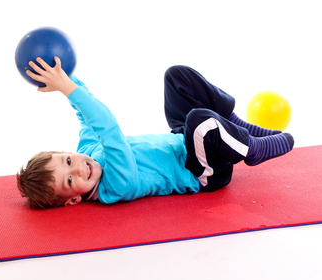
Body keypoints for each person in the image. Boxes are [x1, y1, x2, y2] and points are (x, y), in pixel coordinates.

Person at [17, 57, 294, 209]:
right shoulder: (115, 186)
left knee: (176, 77)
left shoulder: (87, 154)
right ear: (74, 199)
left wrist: (65, 77)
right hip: (202, 171)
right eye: (68, 181)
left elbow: (87, 118)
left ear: (68, 152)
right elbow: (109, 130)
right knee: (201, 121)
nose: (77, 169)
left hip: (183, 139)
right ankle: (253, 150)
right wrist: (68, 90)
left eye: (67, 161)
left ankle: (235, 123)